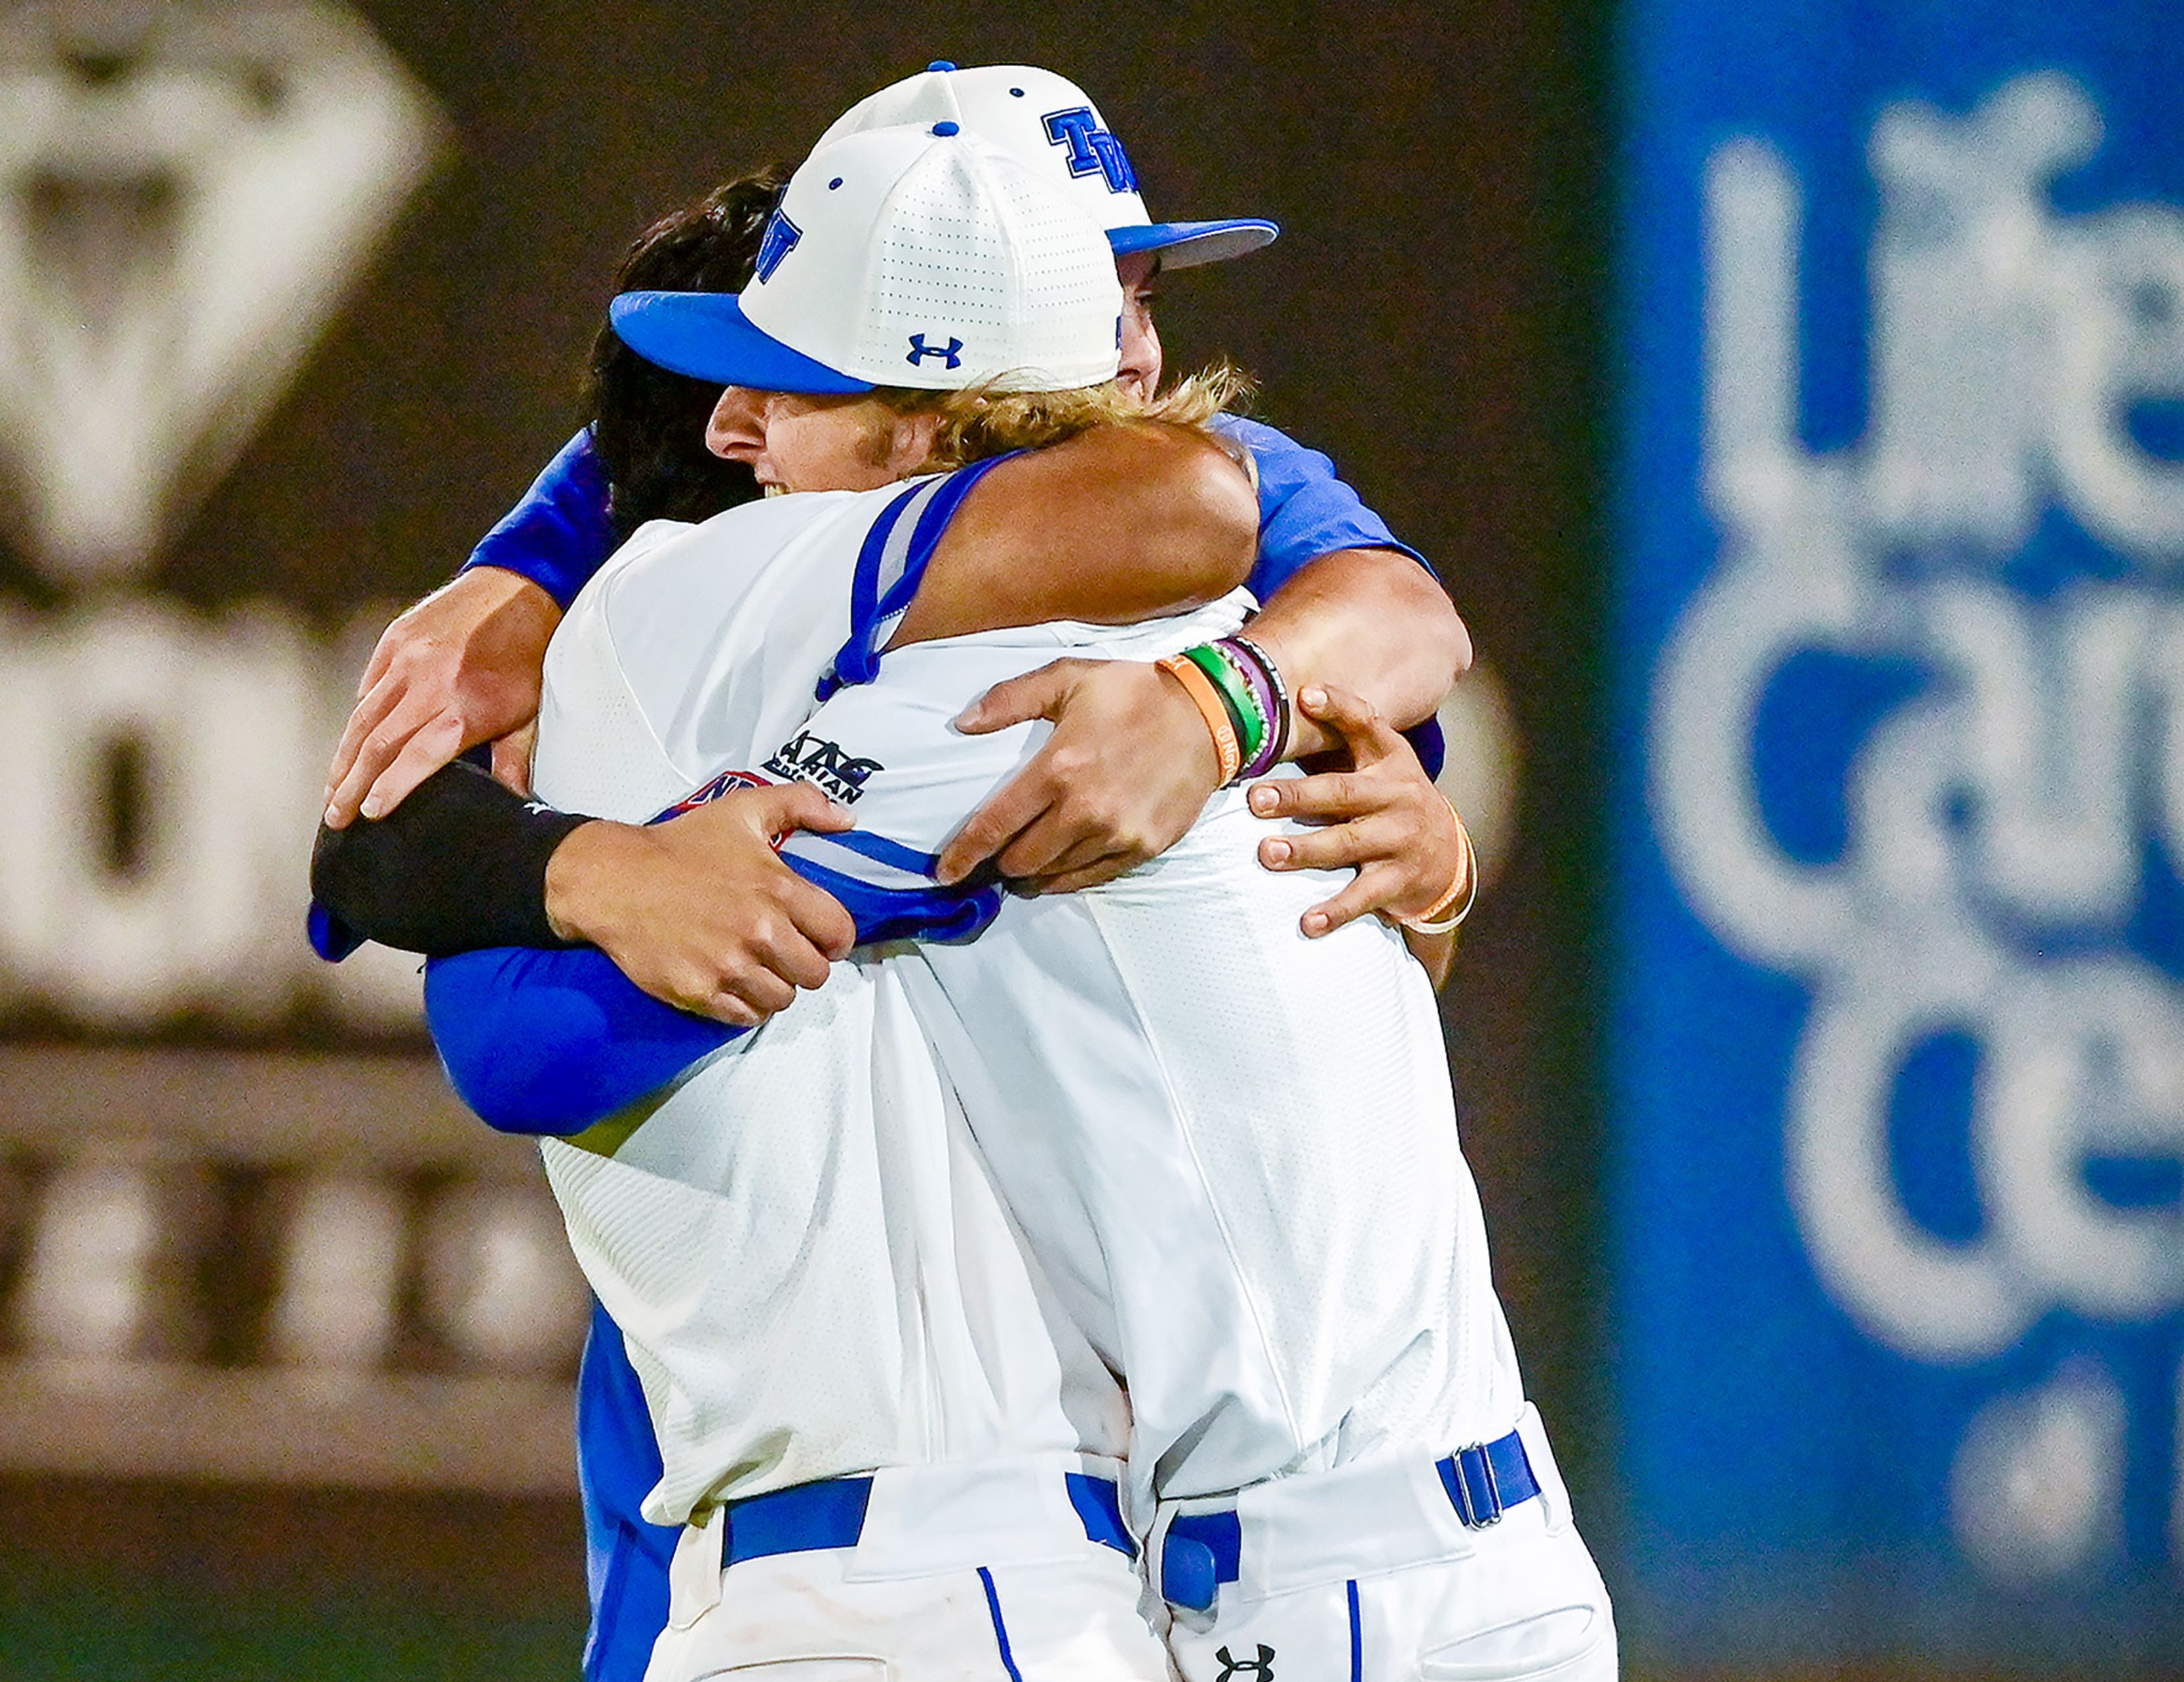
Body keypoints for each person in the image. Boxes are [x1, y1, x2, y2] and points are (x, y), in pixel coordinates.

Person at [385, 112, 1612, 1682]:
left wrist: (588, 871)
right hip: (1341, 1565)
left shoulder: (1001, 695)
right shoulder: (1260, 651)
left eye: (796, 379)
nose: (742, 431)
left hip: (1233, 1593)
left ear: (920, 430)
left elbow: (516, 1037)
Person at [319, 65, 1470, 1011]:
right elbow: (376, 852)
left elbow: (1393, 622)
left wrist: (1227, 715)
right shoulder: (712, 515)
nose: (1132, 355)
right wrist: (601, 861)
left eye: (1142, 297)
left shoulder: (1194, 506)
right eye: (1088, 293)